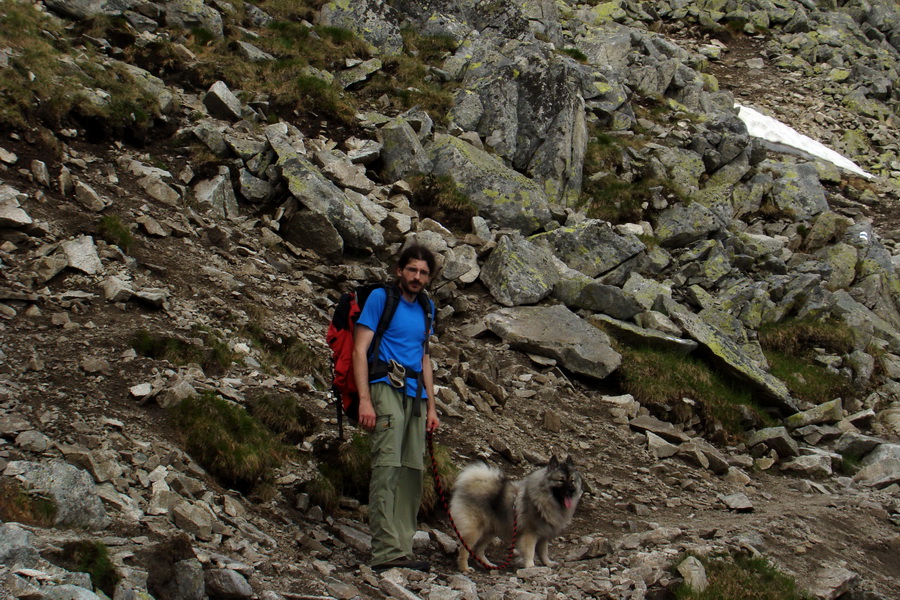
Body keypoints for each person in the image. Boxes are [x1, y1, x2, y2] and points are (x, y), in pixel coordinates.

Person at [352, 244, 441, 572]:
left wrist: (432, 407)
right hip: (385, 387)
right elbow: (359, 350)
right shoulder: (380, 299)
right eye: (412, 270)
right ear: (399, 270)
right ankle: (385, 551)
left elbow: (425, 358)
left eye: (423, 272)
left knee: (411, 472)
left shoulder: (426, 306)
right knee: (388, 466)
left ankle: (402, 548)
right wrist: (365, 400)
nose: (417, 277)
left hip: (416, 395)